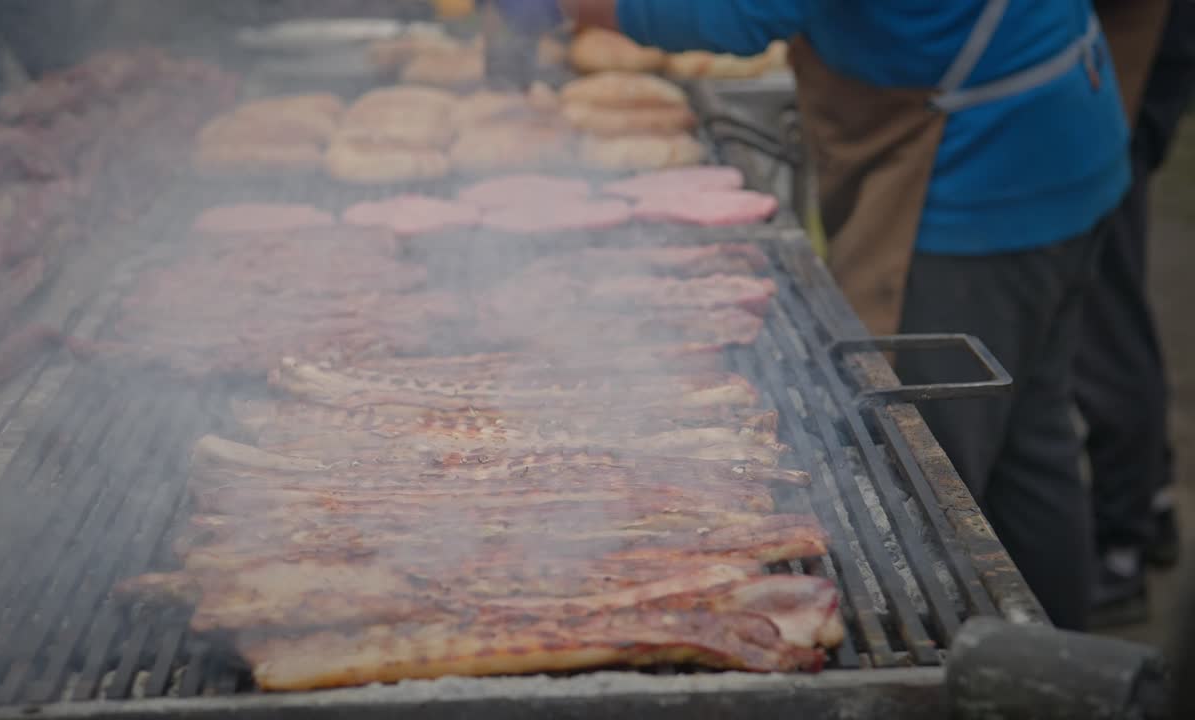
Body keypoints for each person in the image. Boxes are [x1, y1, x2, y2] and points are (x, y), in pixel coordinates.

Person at [498, 0, 1163, 631]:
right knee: (1029, 438)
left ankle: (962, 665)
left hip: (982, 177)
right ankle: (1059, 667)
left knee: (919, 482)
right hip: (1062, 130)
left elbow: (738, 12)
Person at [1082, 0, 1195, 628]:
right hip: (1121, 74)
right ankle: (1150, 501)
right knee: (1112, 311)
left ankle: (1119, 545)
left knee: (1103, 330)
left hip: (1116, 80)